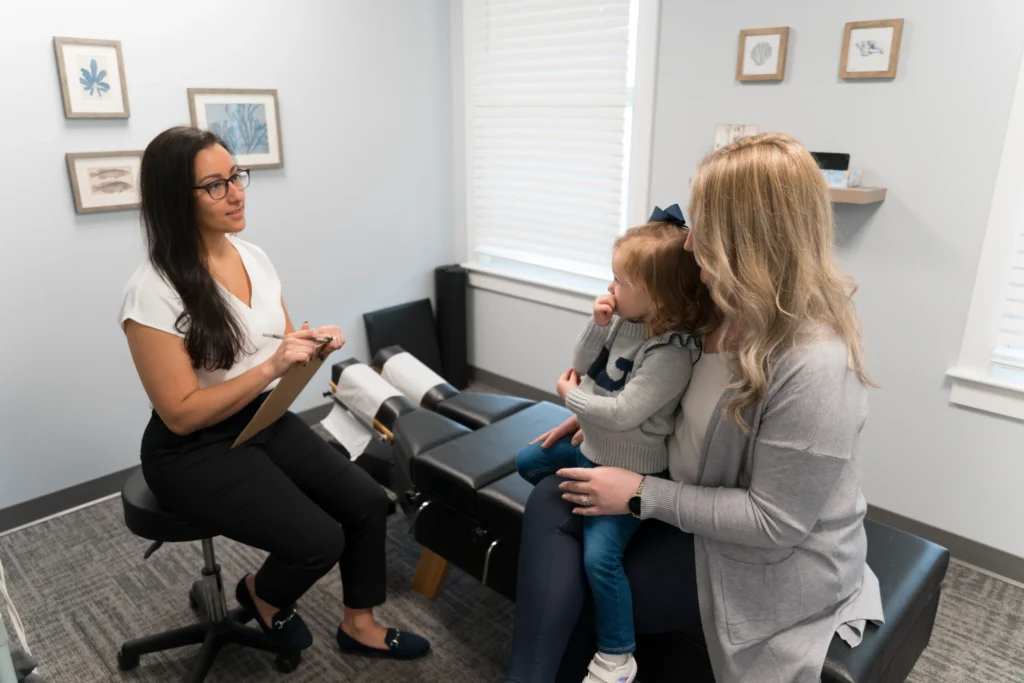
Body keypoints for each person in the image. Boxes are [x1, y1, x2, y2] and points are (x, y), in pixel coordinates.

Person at [507, 132, 883, 683]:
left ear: (748, 242)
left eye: (703, 229)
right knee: (551, 496)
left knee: (585, 587)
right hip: (674, 496)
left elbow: (773, 522)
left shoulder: (816, 365)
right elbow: (657, 386)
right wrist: (607, 416)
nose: (687, 245)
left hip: (759, 556)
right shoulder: (711, 308)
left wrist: (639, 494)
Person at [118, 126, 429, 659]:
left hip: (260, 418)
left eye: (236, 176)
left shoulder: (253, 257)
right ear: (176, 198)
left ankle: (359, 624)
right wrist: (271, 370)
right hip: (191, 449)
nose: (236, 192)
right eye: (214, 185)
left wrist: (308, 348)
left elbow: (274, 346)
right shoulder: (152, 291)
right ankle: (261, 592)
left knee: (366, 504)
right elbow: (181, 414)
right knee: (317, 541)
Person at [514, 212, 711, 683]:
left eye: (621, 281)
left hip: (631, 471)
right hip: (593, 447)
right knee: (526, 460)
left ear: (657, 296)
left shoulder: (671, 353)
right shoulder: (625, 322)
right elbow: (582, 363)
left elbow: (623, 412)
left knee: (599, 559)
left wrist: (571, 398)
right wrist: (598, 323)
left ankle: (617, 656)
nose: (611, 286)